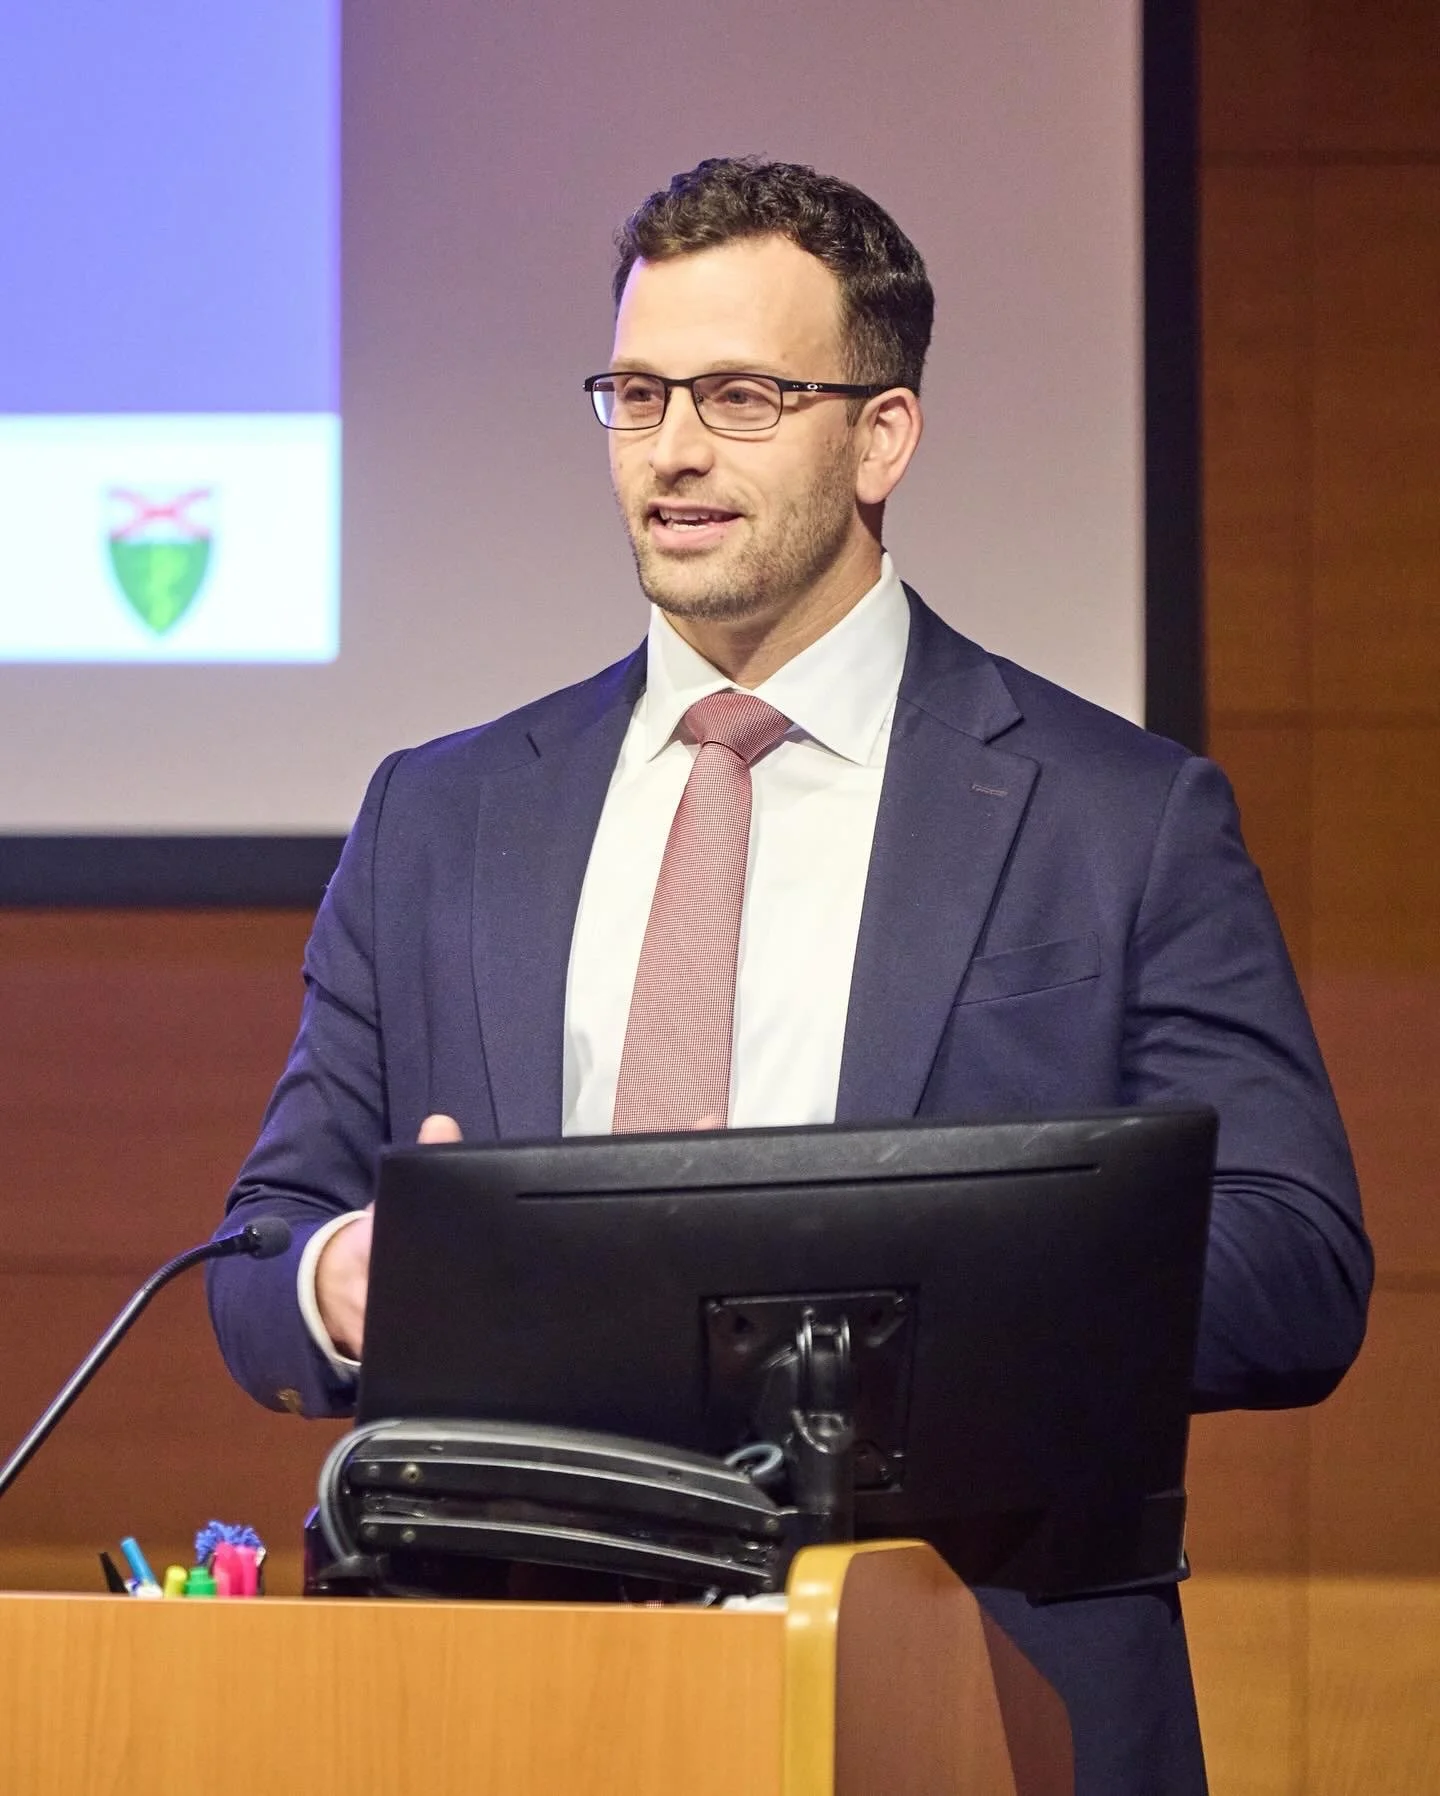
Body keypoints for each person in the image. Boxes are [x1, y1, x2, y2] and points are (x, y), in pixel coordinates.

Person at [209, 157, 1370, 1792]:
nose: (671, 449)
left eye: (741, 396)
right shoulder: (442, 813)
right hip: (511, 1698)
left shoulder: (1117, 818)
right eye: (636, 393)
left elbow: (1299, 1267)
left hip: (972, 1697)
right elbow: (258, 1258)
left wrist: (892, 1290)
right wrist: (343, 1278)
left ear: (881, 434)